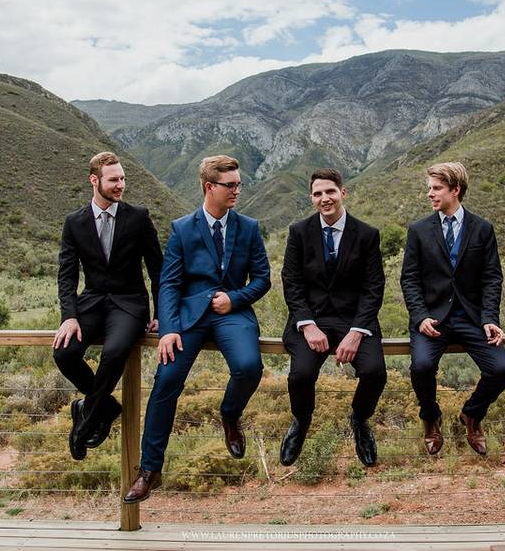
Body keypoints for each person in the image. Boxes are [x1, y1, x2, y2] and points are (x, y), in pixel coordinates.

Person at [125, 155, 271, 503]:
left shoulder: (248, 227)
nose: (237, 190)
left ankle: (230, 414)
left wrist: (233, 299)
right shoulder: (182, 228)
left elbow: (263, 279)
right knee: (167, 381)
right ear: (209, 187)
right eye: (230, 185)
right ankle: (149, 470)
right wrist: (169, 329)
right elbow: (170, 283)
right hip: (188, 317)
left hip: (231, 314)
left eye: (238, 184)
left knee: (249, 367)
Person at [53, 152, 162, 461]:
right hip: (91, 303)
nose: (120, 185)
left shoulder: (138, 217)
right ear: (94, 180)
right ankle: (106, 406)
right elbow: (67, 273)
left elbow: (158, 270)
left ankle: (85, 422)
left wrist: (160, 315)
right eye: (114, 180)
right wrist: (69, 316)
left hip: (129, 304)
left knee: (114, 353)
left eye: (123, 179)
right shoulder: (74, 222)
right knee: (64, 353)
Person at [400, 162, 505, 456]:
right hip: (432, 319)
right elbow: (409, 279)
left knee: (500, 370)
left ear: (455, 190)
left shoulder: (483, 229)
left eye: (436, 188)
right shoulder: (419, 230)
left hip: (472, 319)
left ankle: (472, 414)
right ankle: (431, 417)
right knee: (421, 367)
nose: (429, 194)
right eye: (430, 188)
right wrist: (420, 316)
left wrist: (489, 318)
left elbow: (492, 277)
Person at [279, 169, 387, 467]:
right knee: (300, 376)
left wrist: (356, 332)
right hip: (310, 321)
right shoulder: (298, 232)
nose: (324, 198)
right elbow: (291, 281)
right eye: (317, 194)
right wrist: (308, 324)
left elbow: (374, 286)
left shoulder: (367, 234)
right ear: (311, 198)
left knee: (376, 372)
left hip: (355, 320)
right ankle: (301, 422)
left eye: (330, 192)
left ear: (343, 192)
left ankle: (360, 420)